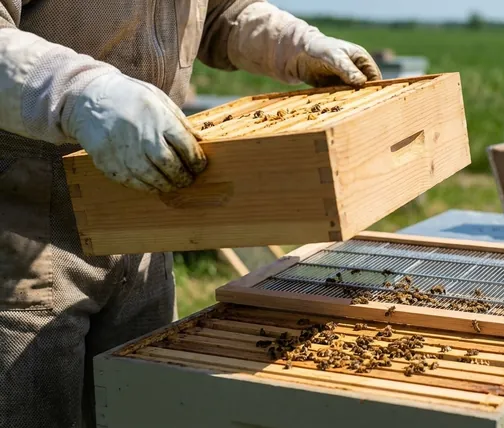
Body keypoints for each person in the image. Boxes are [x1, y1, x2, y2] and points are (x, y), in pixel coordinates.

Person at [0, 1, 382, 427]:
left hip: (146, 227)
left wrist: (294, 44)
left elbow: (221, 11)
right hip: (24, 237)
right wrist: (79, 94)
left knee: (143, 409)